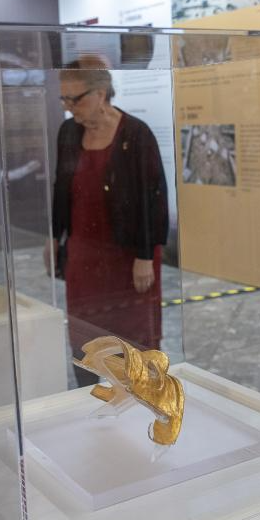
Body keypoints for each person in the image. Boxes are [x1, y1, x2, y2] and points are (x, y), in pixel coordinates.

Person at [50, 56, 168, 386]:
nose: (69, 107)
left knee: (133, 330)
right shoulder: (68, 132)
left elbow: (153, 199)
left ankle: (141, 396)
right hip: (84, 252)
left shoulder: (136, 134)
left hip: (128, 254)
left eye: (75, 99)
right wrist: (54, 236)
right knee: (85, 331)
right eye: (64, 99)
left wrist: (145, 255)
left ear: (100, 93)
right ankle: (90, 395)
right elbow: (61, 188)